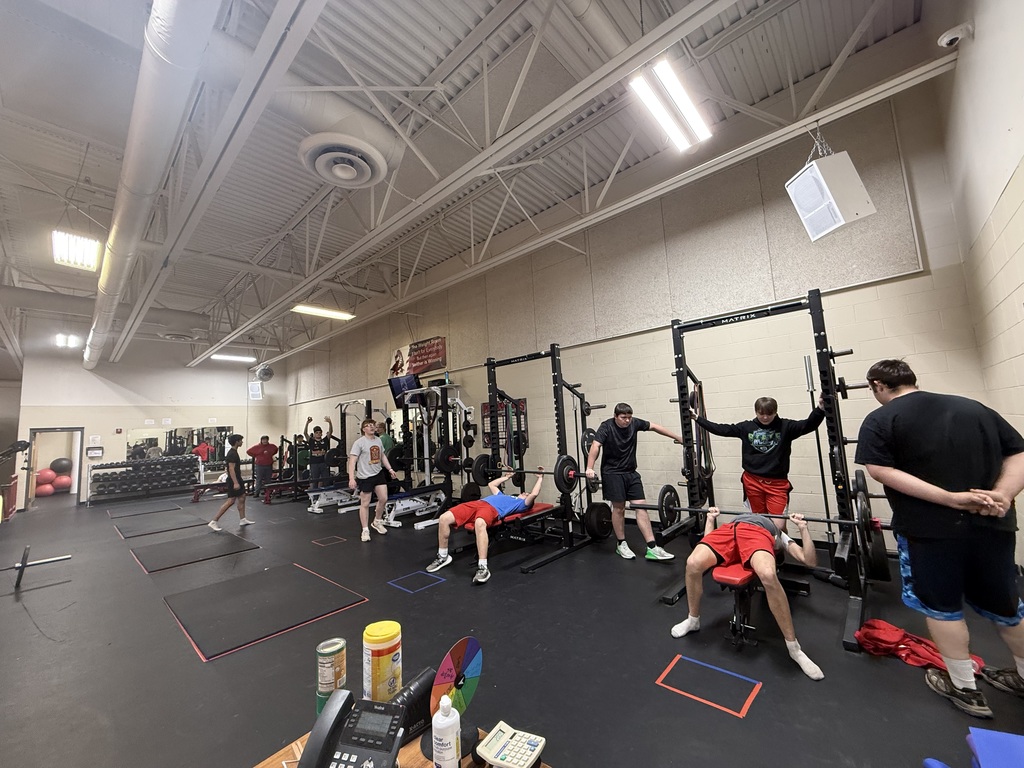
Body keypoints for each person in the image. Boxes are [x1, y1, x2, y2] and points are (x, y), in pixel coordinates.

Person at [855, 358, 1024, 718]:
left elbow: (879, 470)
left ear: (877, 386)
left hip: (929, 530)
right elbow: (1019, 453)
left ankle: (964, 687)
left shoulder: (881, 419)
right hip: (993, 524)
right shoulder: (974, 408)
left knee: (941, 607)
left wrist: (950, 499)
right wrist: (1003, 494)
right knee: (1007, 605)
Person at [670, 507, 824, 680]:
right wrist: (711, 520)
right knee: (692, 563)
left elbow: (809, 560)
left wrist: (803, 528)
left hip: (757, 535)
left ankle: (794, 648)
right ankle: (693, 620)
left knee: (768, 574)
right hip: (729, 530)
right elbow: (708, 542)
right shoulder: (737, 517)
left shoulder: (778, 533)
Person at [690, 396, 825, 517]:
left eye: (769, 414)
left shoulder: (786, 427)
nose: (765, 417)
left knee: (779, 525)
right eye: (761, 414)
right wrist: (697, 418)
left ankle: (778, 545)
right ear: (756, 412)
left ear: (776, 412)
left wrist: (820, 409)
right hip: (752, 482)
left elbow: (808, 425)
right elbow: (721, 429)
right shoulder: (746, 427)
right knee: (758, 521)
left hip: (777, 484)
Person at [584, 403, 682, 561]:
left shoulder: (634, 423)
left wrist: (677, 437)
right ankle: (621, 544)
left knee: (641, 506)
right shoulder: (606, 427)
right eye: (624, 418)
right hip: (612, 473)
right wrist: (589, 467)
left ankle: (652, 547)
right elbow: (595, 446)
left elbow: (655, 427)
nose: (627, 421)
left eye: (629, 417)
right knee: (619, 508)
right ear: (616, 416)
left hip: (631, 472)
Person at [426, 467, 544, 584]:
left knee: (479, 523)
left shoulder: (520, 504)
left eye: (526, 494)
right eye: (524, 492)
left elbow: (534, 494)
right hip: (477, 503)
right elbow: (491, 484)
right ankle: (443, 557)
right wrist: (506, 477)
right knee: (444, 518)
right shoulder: (502, 495)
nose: (524, 493)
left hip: (492, 509)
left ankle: (483, 567)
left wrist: (540, 478)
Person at [348, 418, 400, 542]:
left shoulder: (378, 440)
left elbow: (382, 456)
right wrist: (351, 478)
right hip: (365, 477)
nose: (371, 427)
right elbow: (352, 462)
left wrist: (390, 469)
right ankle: (365, 529)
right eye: (368, 425)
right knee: (365, 504)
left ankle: (377, 521)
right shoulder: (359, 443)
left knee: (383, 498)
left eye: (373, 425)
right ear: (363, 429)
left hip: (378, 473)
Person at [208, 434, 254, 531]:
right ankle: (214, 521)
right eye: (241, 440)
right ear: (236, 442)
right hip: (234, 480)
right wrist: (235, 483)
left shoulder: (234, 452)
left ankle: (243, 519)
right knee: (231, 501)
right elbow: (231, 469)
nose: (242, 442)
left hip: (237, 478)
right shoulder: (232, 454)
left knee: (242, 497)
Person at [304, 416, 333, 489]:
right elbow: (305, 433)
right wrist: (307, 423)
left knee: (326, 481)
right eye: (316, 433)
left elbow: (330, 432)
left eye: (320, 432)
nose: (318, 434)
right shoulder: (311, 441)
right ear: (314, 434)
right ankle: (315, 498)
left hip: (323, 463)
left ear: (321, 433)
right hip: (314, 464)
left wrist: (329, 422)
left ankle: (326, 497)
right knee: (315, 481)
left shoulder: (324, 440)